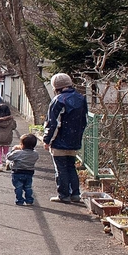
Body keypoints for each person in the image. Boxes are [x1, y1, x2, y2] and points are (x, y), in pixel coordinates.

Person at [42, 73, 88, 203]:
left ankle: (63, 195)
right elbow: (84, 121)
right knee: (71, 167)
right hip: (75, 139)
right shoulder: (81, 98)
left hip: (59, 140)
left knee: (61, 168)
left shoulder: (58, 100)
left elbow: (53, 123)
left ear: (56, 87)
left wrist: (47, 140)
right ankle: (75, 194)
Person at [6, 133, 40, 206]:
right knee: (28, 187)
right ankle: (29, 200)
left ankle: (20, 200)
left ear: (22, 144)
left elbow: (9, 157)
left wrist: (13, 150)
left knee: (18, 187)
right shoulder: (35, 154)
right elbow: (35, 156)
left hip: (17, 172)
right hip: (29, 173)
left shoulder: (18, 153)